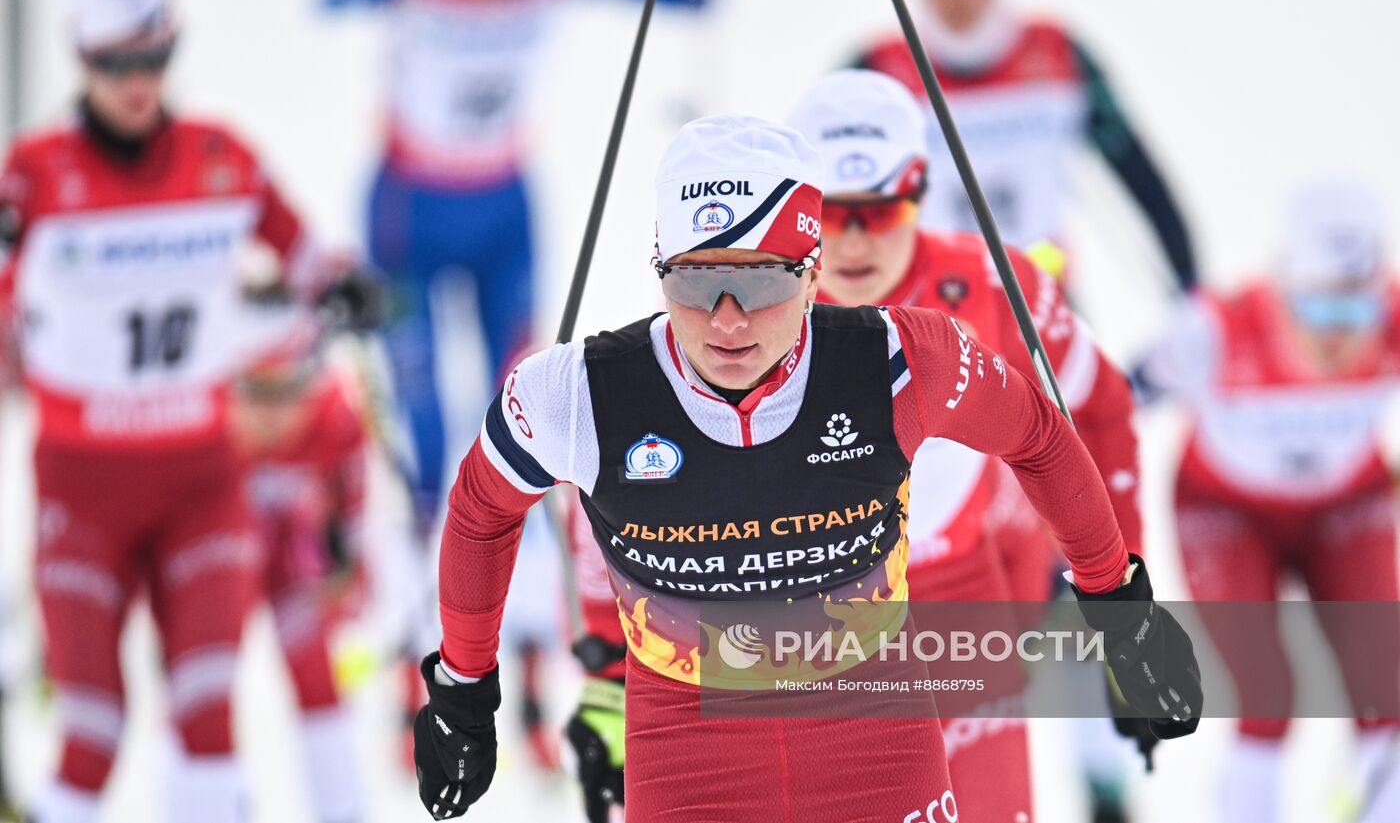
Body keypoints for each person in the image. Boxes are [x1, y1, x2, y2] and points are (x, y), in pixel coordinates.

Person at [407, 114, 1200, 821]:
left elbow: (1039, 435)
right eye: (696, 278)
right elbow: (483, 507)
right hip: (692, 767)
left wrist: (1118, 599)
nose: (726, 318)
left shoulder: (899, 358)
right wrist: (464, 687)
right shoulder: (577, 392)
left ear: (812, 271)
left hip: (879, 754)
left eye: (757, 278)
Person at [0, 0, 371, 823]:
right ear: (80, 53)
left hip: (202, 477)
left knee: (209, 716)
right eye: (115, 59)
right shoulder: (37, 175)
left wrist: (345, 285)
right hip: (82, 487)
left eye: (157, 54)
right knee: (91, 728)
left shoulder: (222, 158)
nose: (138, 80)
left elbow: (308, 252)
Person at [786, 68, 1144, 823]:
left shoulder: (991, 282)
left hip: (958, 592)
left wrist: (1122, 596)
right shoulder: (746, 307)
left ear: (916, 189)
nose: (851, 241)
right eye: (829, 214)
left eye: (876, 212)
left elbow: (1103, 404)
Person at [319, 0, 709, 531]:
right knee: (423, 405)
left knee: (520, 395)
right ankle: (420, 541)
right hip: (408, 211)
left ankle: (517, 551)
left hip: (504, 209)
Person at [1136, 179, 1400, 823]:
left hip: (1346, 505)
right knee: (1266, 694)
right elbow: (1105, 405)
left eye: (1356, 313)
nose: (1338, 335)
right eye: (1319, 310)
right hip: (1224, 511)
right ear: (1281, 290)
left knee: (1386, 687)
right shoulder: (1216, 331)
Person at [855, 0, 1197, 297]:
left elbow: (1139, 173)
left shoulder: (1059, 55)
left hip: (1043, 306)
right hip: (925, 314)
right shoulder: (878, 68)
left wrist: (1188, 282)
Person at [231, 292, 369, 823]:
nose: (269, 412)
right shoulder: (212, 418)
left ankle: (342, 809)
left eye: (286, 391)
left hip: (299, 557)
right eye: (254, 390)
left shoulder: (337, 415)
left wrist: (351, 577)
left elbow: (357, 513)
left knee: (315, 672)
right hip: (230, 552)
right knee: (204, 681)